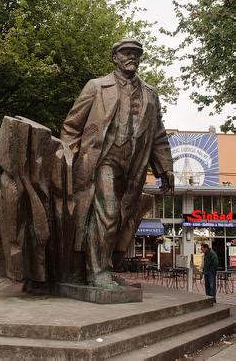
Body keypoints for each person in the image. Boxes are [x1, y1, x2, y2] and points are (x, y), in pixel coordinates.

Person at [61, 38, 174, 288]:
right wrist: (67, 158)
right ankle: (97, 272)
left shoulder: (150, 94)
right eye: (126, 53)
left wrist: (165, 167)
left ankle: (104, 266)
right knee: (108, 212)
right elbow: (71, 126)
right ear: (115, 58)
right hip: (102, 160)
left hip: (134, 166)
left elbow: (157, 134)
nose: (131, 57)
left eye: (136, 53)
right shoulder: (97, 87)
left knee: (121, 217)